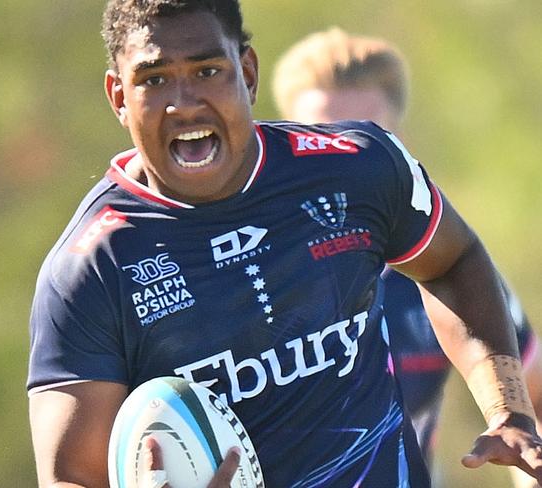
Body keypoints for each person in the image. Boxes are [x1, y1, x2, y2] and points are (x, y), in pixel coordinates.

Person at [27, 2, 542, 487]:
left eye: (208, 71)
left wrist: (509, 408)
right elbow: (70, 473)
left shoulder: (355, 167)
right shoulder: (92, 268)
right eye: (154, 80)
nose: (183, 104)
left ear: (247, 74)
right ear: (120, 97)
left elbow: (453, 260)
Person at [271, 27, 542, 488]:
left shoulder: (455, 271)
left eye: (360, 141)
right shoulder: (247, 271)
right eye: (321, 140)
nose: (343, 165)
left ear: (396, 144)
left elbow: (533, 410)